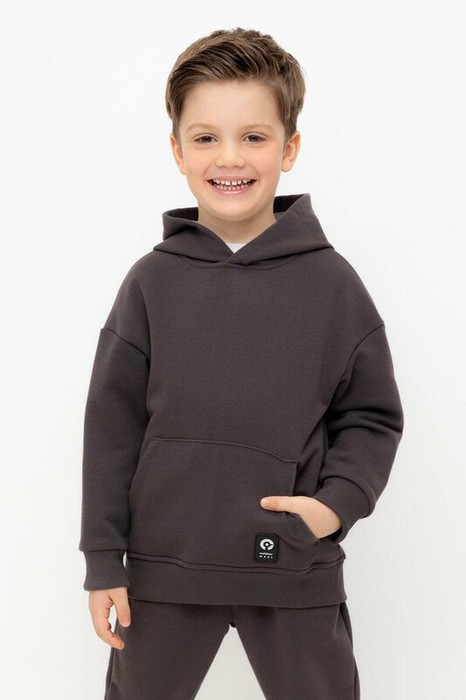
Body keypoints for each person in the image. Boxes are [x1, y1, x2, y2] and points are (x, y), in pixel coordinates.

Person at [79, 27, 404, 699]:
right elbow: (111, 428)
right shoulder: (150, 283)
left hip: (291, 564)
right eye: (206, 137)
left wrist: (332, 507)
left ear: (289, 148)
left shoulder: (334, 285)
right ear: (177, 150)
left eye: (253, 136)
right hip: (164, 570)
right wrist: (103, 558)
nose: (230, 157)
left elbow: (372, 416)